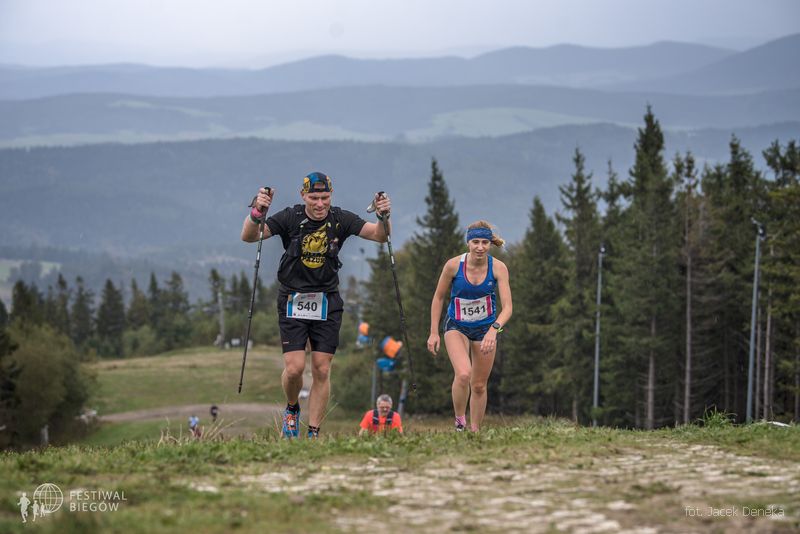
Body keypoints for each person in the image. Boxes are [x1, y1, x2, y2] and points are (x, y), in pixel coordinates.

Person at [242, 171, 391, 439]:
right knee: (295, 368)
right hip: (293, 299)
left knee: (322, 368)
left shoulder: (341, 218)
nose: (320, 204)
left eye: (325, 197)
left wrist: (383, 216)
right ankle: (292, 408)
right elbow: (250, 236)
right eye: (314, 198)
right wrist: (257, 212)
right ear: (304, 196)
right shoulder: (291, 217)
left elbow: (380, 236)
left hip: (327, 300)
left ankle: (313, 433)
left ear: (330, 195)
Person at [427, 221, 512, 432]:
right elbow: (438, 297)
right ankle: (459, 422)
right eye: (475, 242)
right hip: (457, 325)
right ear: (468, 243)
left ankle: (475, 432)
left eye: (484, 242)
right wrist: (433, 332)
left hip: (485, 329)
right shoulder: (453, 266)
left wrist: (494, 330)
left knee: (479, 385)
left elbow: (508, 307)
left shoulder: (498, 268)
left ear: (490, 244)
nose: (480, 247)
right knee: (464, 374)